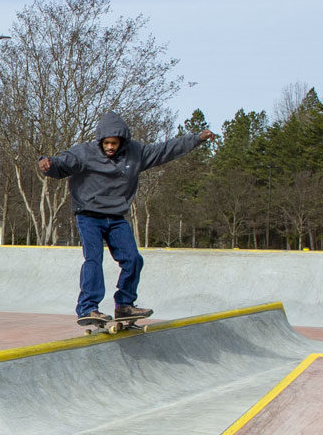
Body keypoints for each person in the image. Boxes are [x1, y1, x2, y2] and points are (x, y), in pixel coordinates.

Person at [36, 111, 216, 327]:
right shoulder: (84, 153)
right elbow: (62, 163)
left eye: (115, 143)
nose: (110, 147)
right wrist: (48, 164)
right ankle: (88, 308)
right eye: (107, 143)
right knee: (93, 259)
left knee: (133, 259)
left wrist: (196, 139)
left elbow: (165, 150)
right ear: (100, 140)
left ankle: (124, 305)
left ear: (122, 141)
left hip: (116, 217)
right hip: (89, 215)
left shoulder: (136, 153)